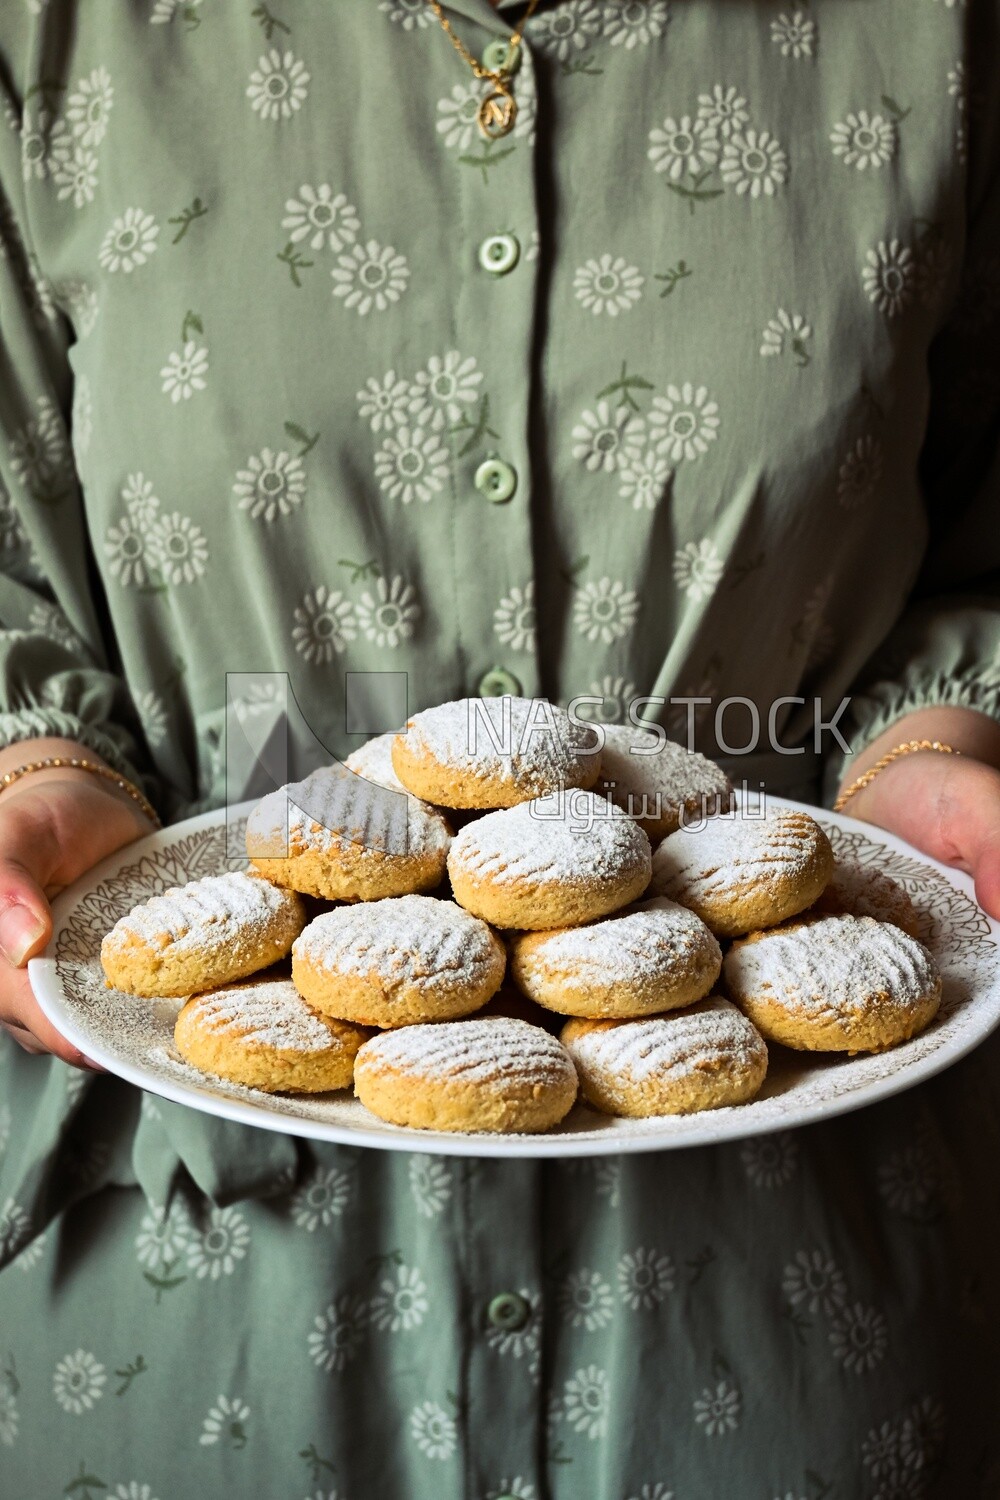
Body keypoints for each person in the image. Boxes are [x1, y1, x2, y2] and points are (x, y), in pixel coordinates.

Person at [2, 1, 999, 1494]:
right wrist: (37, 775)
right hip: (200, 1333)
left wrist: (939, 747)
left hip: (787, 1319)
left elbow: (978, 531)